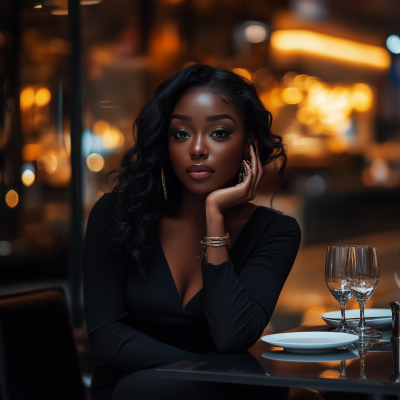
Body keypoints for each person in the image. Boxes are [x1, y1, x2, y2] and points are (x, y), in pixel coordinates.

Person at [83, 64, 301, 400]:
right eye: (181, 134)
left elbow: (233, 336)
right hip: (133, 389)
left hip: (219, 394)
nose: (197, 148)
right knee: (140, 390)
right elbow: (106, 336)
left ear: (249, 146)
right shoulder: (115, 214)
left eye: (219, 133)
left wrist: (215, 216)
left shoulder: (275, 232)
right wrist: (212, 371)